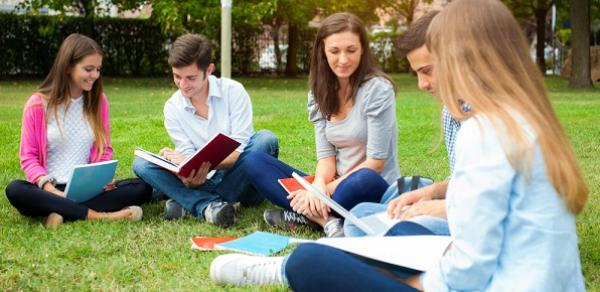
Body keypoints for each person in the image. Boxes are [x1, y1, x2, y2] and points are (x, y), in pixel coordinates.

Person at [210, 0, 588, 290]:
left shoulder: (485, 131)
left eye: (430, 67)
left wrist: (408, 282)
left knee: (308, 261)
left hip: (483, 279)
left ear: (466, 58)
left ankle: (283, 269)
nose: (424, 84)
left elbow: (468, 269)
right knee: (368, 235)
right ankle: (330, 235)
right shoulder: (528, 120)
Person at [243, 12, 399, 237]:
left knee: (362, 180)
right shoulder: (318, 94)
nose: (343, 59)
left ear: (363, 49)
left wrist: (322, 192)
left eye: (351, 50)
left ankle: (309, 214)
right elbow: (326, 158)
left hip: (368, 186)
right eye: (335, 51)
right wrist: (316, 185)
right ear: (323, 52)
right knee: (254, 160)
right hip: (333, 186)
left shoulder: (378, 90)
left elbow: (375, 162)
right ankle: (326, 219)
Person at [5, 33, 152, 228]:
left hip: (86, 188)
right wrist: (50, 189)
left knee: (140, 187)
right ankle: (102, 216)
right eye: (88, 69)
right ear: (67, 67)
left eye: (98, 69)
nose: (95, 76)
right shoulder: (37, 104)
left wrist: (102, 177)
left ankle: (59, 213)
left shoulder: (99, 102)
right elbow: (28, 157)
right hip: (48, 189)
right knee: (15, 189)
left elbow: (104, 148)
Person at [132, 34, 279, 228]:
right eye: (177, 76)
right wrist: (186, 173)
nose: (183, 85)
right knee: (141, 164)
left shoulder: (233, 92)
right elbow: (186, 151)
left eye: (191, 78)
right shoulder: (173, 107)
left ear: (208, 70)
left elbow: (244, 151)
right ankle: (209, 206)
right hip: (201, 181)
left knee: (266, 140)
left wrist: (206, 166)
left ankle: (190, 203)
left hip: (240, 178)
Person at [344, 10, 454, 237]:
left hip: (474, 225)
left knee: (399, 227)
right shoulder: (452, 112)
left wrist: (443, 207)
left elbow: (495, 201)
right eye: (417, 74)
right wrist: (433, 192)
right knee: (358, 217)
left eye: (427, 71)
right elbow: (465, 180)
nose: (422, 85)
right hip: (459, 205)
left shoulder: (492, 118)